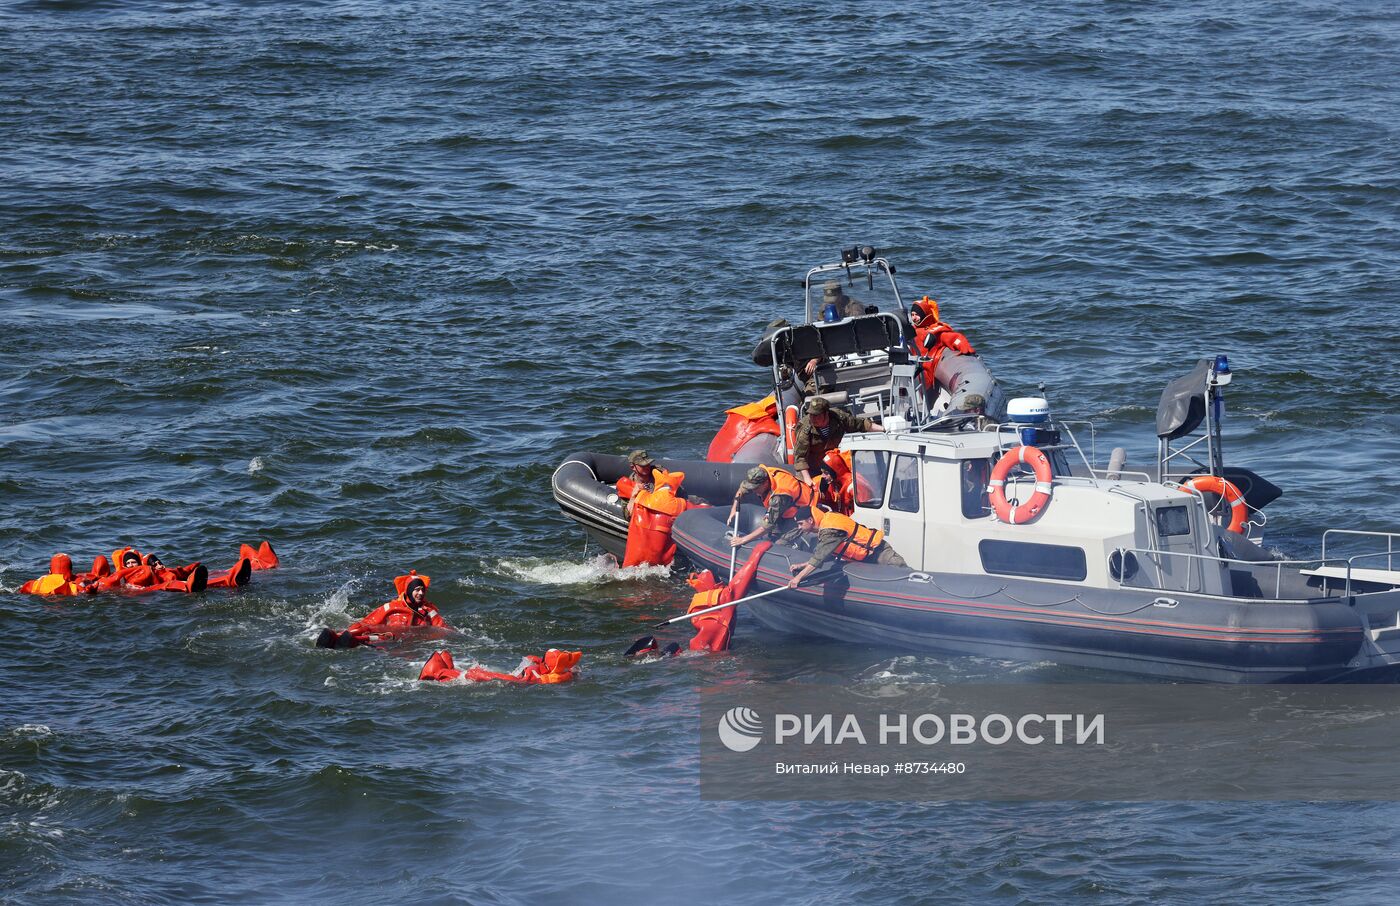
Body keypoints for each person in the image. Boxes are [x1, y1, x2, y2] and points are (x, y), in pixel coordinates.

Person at [316, 570, 450, 649]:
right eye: (416, 590)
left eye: (422, 590)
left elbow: (443, 629)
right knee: (367, 630)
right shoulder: (392, 607)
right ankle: (336, 637)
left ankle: (349, 640)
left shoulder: (428, 611)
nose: (420, 593)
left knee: (385, 637)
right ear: (408, 591)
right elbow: (367, 622)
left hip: (396, 642)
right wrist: (350, 630)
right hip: (384, 636)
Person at [786, 505, 907, 588]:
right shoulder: (827, 520)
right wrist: (802, 565)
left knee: (905, 577)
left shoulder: (829, 529)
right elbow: (825, 554)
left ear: (810, 520)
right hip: (866, 559)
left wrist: (798, 579)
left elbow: (819, 558)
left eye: (800, 524)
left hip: (879, 553)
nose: (799, 528)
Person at [791, 396, 884, 483]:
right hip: (811, 469)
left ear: (826, 413)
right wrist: (808, 480)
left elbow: (860, 424)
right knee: (807, 492)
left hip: (833, 464)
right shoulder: (805, 428)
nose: (813, 418)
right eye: (811, 415)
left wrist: (883, 429)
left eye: (816, 415)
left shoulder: (838, 417)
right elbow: (800, 458)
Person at [727, 465, 816, 548]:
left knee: (780, 544)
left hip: (803, 511)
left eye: (756, 488)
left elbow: (767, 526)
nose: (753, 491)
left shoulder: (779, 496)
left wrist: (743, 540)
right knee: (769, 536)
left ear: (765, 483)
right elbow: (742, 489)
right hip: (786, 507)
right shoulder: (761, 473)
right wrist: (733, 509)